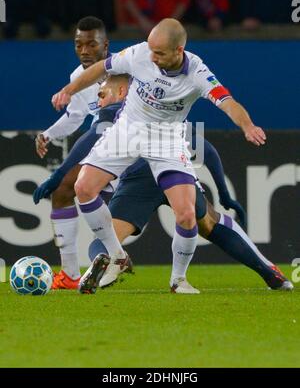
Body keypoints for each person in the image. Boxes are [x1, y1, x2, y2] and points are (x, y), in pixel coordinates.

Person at [51, 18, 269, 295]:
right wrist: (69, 90)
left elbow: (228, 102)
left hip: (166, 139)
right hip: (127, 130)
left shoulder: (198, 72)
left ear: (179, 51)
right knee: (83, 187)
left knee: (187, 213)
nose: (152, 57)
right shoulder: (140, 53)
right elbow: (100, 68)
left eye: (160, 53)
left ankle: (178, 280)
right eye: (151, 50)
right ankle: (117, 257)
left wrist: (247, 126)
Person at [35, 78, 292, 293]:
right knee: (210, 223)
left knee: (105, 238)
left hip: (139, 180)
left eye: (103, 92)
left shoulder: (115, 112)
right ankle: (267, 271)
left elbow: (88, 141)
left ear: (123, 91)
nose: (99, 99)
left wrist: (57, 178)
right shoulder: (163, 107)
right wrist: (224, 195)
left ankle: (107, 262)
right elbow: (206, 148)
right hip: (174, 173)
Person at [35, 16, 116, 289]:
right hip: (104, 148)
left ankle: (113, 257)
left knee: (193, 214)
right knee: (63, 192)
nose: (84, 51)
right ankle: (70, 274)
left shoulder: (124, 71)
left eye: (91, 44)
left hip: (135, 147)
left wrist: (58, 172)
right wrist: (49, 133)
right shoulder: (77, 78)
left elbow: (102, 126)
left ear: (106, 45)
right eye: (78, 44)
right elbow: (76, 116)